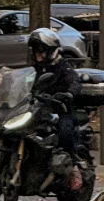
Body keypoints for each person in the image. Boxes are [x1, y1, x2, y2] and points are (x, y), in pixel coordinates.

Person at [28, 26, 84, 189]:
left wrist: (69, 94)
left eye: (41, 50)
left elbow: (75, 82)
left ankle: (74, 167)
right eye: (35, 50)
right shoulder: (34, 69)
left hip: (61, 109)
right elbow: (23, 82)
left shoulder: (63, 67)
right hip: (39, 109)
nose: (38, 54)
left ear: (51, 50)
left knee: (65, 130)